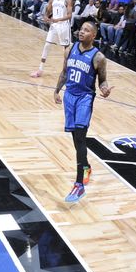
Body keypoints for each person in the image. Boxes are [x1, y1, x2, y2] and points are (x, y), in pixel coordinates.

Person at [54, 20, 113, 203]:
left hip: (84, 99)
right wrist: (56, 90)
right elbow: (64, 72)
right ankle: (86, 166)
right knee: (75, 138)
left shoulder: (99, 58)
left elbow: (102, 80)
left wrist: (105, 89)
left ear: (93, 35)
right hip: (69, 96)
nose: (81, 32)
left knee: (80, 136)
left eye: (86, 30)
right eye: (81, 29)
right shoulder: (69, 49)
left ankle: (79, 185)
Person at [31, 0, 72, 77]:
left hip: (64, 26)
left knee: (66, 49)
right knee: (47, 45)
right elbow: (47, 11)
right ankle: (40, 70)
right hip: (54, 25)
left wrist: (58, 19)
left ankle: (67, 71)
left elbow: (69, 15)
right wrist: (45, 17)